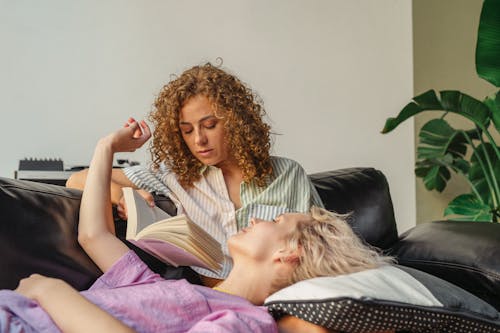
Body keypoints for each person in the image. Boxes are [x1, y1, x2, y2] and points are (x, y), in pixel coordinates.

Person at [0, 120, 392, 333]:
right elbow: (94, 236)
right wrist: (107, 147)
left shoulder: (245, 322)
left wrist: (50, 290)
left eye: (274, 219)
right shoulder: (167, 286)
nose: (254, 216)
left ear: (289, 253)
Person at [66, 62, 324, 285]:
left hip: (281, 297)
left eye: (209, 125)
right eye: (187, 130)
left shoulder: (288, 175)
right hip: (212, 300)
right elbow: (78, 180)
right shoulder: (178, 175)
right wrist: (123, 195)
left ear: (236, 121)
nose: (199, 139)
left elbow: (325, 250)